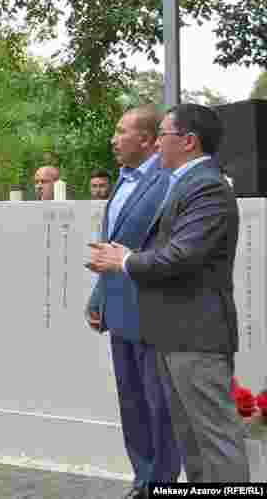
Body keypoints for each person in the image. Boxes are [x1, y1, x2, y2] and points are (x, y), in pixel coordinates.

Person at [89, 103, 250, 483]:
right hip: (173, 334)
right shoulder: (185, 182)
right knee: (191, 442)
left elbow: (182, 255)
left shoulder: (208, 186)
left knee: (215, 440)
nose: (157, 143)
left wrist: (125, 261)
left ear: (189, 141)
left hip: (197, 335)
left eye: (163, 135)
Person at [85, 106, 178, 497]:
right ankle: (142, 480)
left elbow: (164, 248)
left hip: (153, 313)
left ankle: (162, 484)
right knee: (132, 404)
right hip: (119, 311)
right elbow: (112, 248)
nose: (113, 139)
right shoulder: (121, 182)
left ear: (145, 138)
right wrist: (97, 297)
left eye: (121, 131)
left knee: (160, 409)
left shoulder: (169, 180)